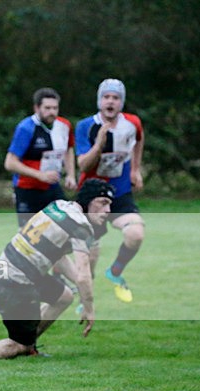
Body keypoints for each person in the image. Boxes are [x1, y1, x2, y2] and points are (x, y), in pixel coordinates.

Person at [0, 179, 113, 361]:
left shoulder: (59, 206)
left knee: (64, 296)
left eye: (110, 205)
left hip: (10, 272)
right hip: (15, 282)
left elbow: (59, 258)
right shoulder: (80, 225)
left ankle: (30, 344)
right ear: (88, 200)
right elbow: (83, 275)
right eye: (103, 203)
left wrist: (80, 288)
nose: (108, 210)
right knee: (17, 344)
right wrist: (89, 307)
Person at [75, 79, 145, 303]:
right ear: (99, 101)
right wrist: (99, 144)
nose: (110, 102)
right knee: (90, 255)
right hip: (92, 195)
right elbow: (83, 165)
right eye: (106, 97)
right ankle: (87, 300)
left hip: (120, 191)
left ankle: (115, 271)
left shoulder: (132, 123)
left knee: (135, 234)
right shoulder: (86, 126)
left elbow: (139, 140)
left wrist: (135, 169)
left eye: (115, 98)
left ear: (121, 102)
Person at [5, 87, 77, 227]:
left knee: (70, 226)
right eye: (47, 108)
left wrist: (70, 175)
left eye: (55, 108)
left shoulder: (64, 125)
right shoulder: (26, 128)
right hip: (27, 189)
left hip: (52, 188)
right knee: (30, 237)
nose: (52, 112)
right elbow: (10, 163)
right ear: (36, 108)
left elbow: (68, 150)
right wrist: (40, 175)